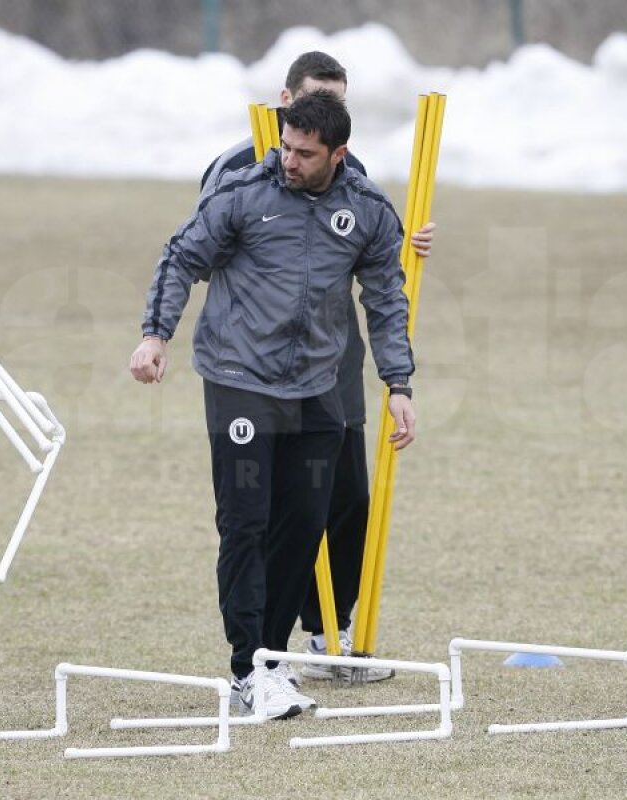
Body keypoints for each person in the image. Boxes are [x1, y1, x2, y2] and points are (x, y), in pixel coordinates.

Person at [130, 90, 416, 719]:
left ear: (338, 154)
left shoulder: (366, 210)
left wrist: (398, 384)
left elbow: (387, 298)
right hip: (239, 379)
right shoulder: (242, 194)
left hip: (317, 390)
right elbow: (181, 257)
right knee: (245, 522)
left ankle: (272, 658)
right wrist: (156, 334)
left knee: (305, 521)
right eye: (285, 145)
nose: (288, 159)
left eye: (305, 153)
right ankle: (247, 669)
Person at [200, 51, 435, 683]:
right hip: (256, 372)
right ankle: (275, 649)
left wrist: (402, 241)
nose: (322, 114)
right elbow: (212, 243)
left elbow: (370, 251)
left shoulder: (347, 168)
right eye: (312, 100)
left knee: (341, 502)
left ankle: (328, 633)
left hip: (332, 369)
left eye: (337, 103)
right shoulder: (238, 167)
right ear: (285, 100)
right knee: (262, 513)